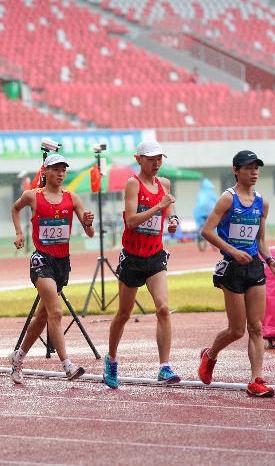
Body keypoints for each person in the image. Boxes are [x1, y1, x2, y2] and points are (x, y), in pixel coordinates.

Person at [198, 151, 275, 397]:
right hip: (232, 268)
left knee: (256, 327)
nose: (254, 172)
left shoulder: (262, 203)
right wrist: (233, 251)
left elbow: (260, 240)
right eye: (248, 168)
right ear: (236, 170)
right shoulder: (228, 198)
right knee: (237, 330)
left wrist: (270, 260)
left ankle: (255, 380)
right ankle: (210, 355)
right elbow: (207, 231)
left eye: (257, 168)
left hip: (254, 267)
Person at [9, 153, 95, 384]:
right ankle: (67, 366)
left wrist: (87, 222)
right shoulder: (33, 196)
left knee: (42, 316)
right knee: (56, 313)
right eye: (55, 169)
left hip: (62, 263)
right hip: (42, 260)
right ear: (45, 171)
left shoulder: (72, 198)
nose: (60, 174)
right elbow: (15, 209)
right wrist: (19, 232)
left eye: (63, 170)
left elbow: (89, 233)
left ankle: (18, 357)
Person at [103, 140, 181, 389]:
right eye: (150, 159)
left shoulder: (164, 184)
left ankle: (164, 367)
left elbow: (171, 212)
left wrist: (173, 220)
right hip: (133, 257)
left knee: (163, 308)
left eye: (159, 158)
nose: (156, 163)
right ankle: (111, 359)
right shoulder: (132, 184)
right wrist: (159, 206)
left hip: (155, 255)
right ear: (138, 160)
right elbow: (132, 221)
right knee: (124, 314)